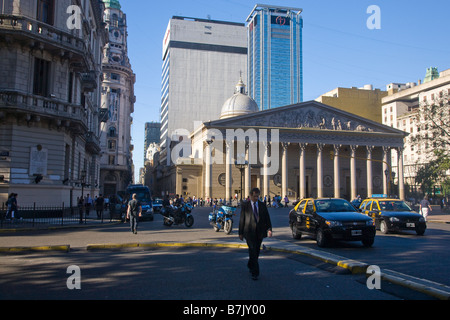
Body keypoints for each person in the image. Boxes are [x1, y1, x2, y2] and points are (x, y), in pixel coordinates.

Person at [239, 187, 272, 280]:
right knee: (253, 250)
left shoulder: (262, 205)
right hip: (249, 232)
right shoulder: (245, 205)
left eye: (257, 196)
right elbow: (242, 219)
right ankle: (255, 272)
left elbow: (267, 218)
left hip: (260, 232)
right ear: (250, 196)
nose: (256, 198)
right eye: (254, 196)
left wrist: (269, 229)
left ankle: (250, 264)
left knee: (256, 251)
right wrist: (240, 233)